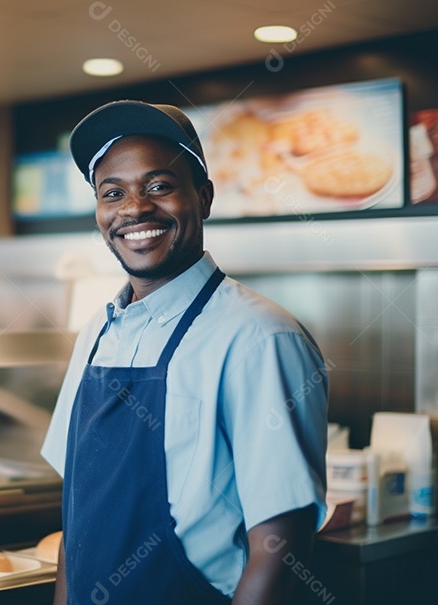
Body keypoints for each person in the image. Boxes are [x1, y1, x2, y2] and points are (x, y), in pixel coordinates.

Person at [41, 100, 328, 604]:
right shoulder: (97, 332)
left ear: (204, 197)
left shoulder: (259, 336)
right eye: (113, 193)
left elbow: (281, 542)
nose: (134, 209)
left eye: (159, 186)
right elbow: (78, 518)